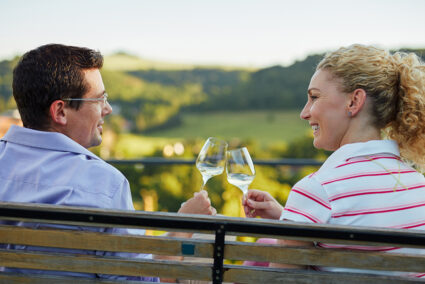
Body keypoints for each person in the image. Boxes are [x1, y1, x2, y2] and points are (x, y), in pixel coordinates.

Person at [0, 44, 216, 281]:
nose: (108, 109)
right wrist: (181, 227)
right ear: (60, 111)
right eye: (99, 99)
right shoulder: (103, 184)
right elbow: (137, 280)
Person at [243, 44, 425, 277]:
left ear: (354, 101)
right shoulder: (419, 184)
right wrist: (291, 217)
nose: (304, 112)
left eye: (314, 97)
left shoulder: (319, 189)